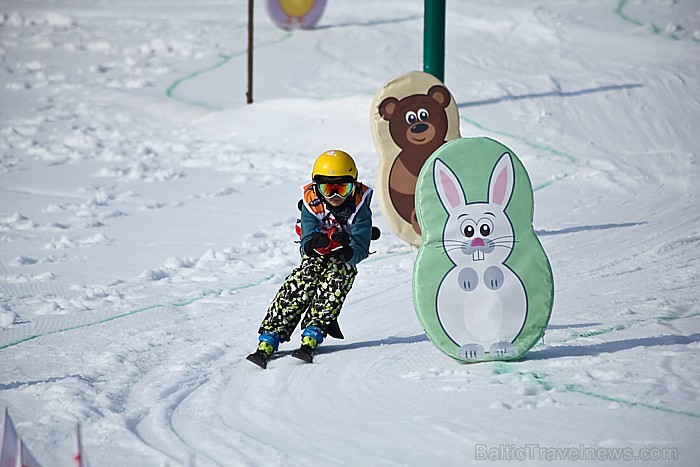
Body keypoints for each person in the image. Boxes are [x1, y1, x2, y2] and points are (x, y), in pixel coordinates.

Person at [247, 150, 374, 368]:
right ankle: (272, 333)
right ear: (316, 187)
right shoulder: (311, 201)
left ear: (354, 185)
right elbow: (307, 237)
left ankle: (315, 329)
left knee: (337, 277)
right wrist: (314, 244)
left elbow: (361, 244)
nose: (335, 196)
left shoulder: (359, 206)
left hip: (344, 255)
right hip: (318, 252)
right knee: (303, 280)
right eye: (328, 188)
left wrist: (349, 252)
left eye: (343, 188)